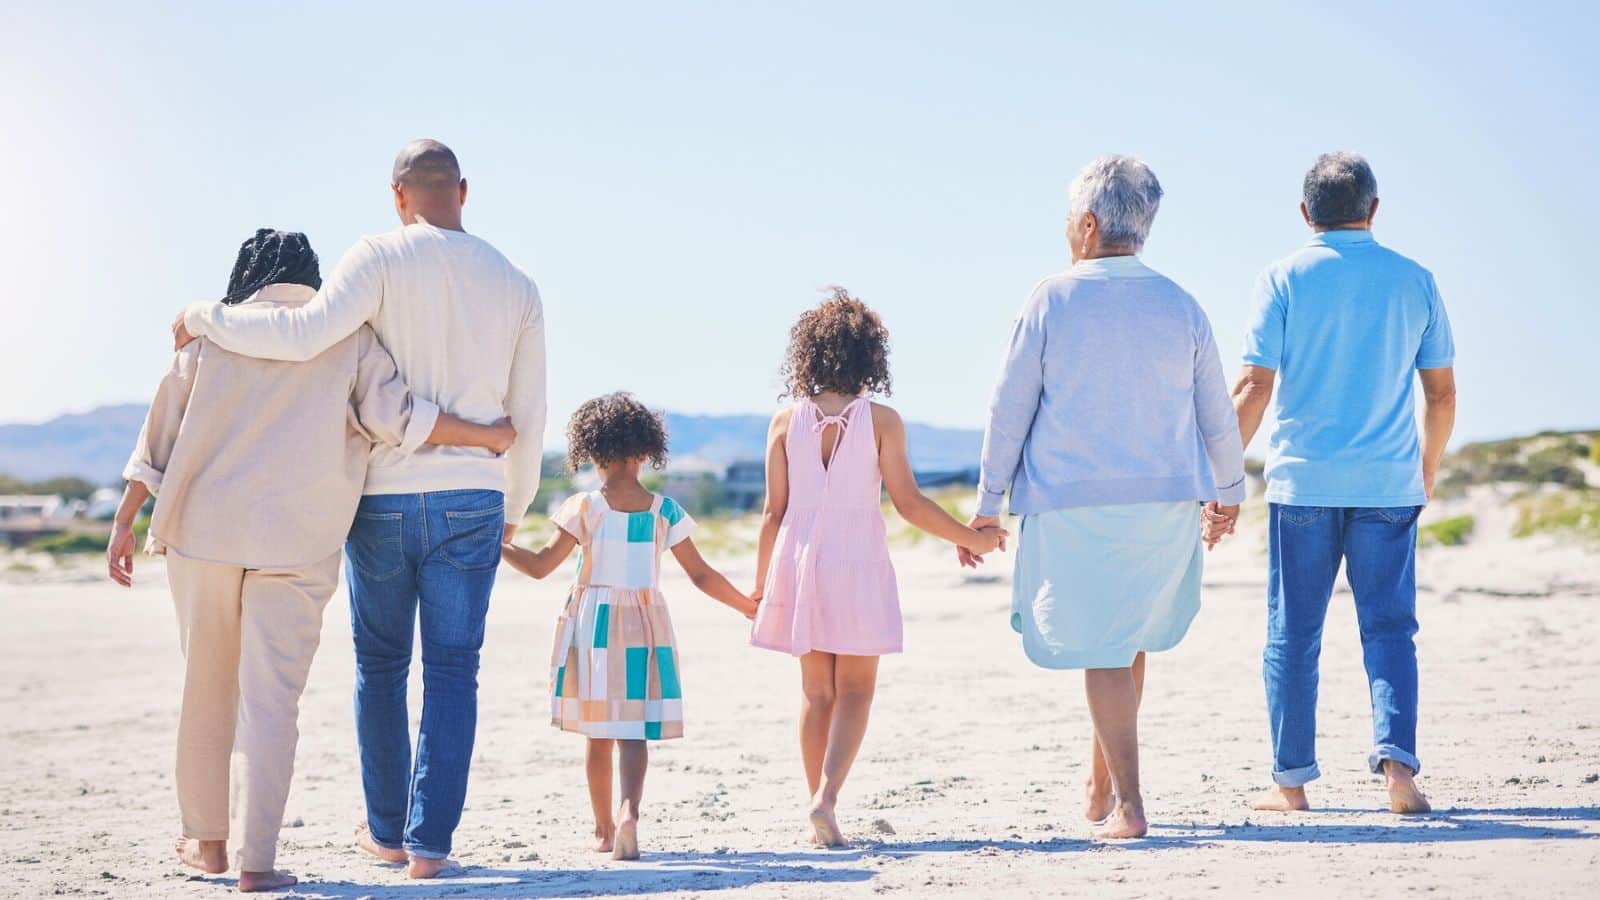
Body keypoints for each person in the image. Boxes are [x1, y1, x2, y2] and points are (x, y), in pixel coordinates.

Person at [170, 140, 548, 877]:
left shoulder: (377, 255)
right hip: (475, 494)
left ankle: (386, 834)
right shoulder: (517, 284)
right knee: (453, 670)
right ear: (462, 191)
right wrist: (514, 503)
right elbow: (527, 414)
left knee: (380, 666)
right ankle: (430, 850)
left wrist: (203, 316)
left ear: (397, 194)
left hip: (383, 498)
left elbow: (303, 334)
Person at [106, 229, 516, 892]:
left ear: (247, 273)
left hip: (202, 536)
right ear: (313, 275)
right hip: (299, 544)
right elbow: (400, 419)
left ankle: (209, 848)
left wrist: (125, 522)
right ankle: (256, 863)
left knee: (206, 688)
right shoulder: (346, 338)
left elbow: (157, 441)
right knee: (272, 703)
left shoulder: (208, 338)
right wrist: (488, 436)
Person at [968, 156, 1247, 839]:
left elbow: (1010, 409)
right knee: (1128, 640)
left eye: (1069, 219)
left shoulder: (1051, 298)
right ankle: (1100, 787)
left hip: (1074, 504)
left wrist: (987, 500)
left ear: (1088, 225)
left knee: (1104, 649)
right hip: (1165, 502)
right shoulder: (1181, 303)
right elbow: (1216, 412)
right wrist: (1231, 492)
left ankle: (1130, 805)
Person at [1231, 152, 1455, 816]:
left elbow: (1253, 386)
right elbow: (1440, 397)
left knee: (1293, 632)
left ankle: (1291, 783)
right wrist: (1428, 468)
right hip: (1389, 482)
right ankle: (1399, 776)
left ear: (1305, 215)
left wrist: (1216, 471)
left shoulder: (1281, 278)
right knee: (1389, 629)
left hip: (1303, 484)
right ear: (1374, 210)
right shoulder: (1415, 280)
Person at [749, 288, 1007, 847]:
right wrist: (969, 538)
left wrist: (761, 584)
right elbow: (909, 503)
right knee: (857, 692)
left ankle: (817, 806)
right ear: (871, 356)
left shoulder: (782, 421)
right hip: (857, 558)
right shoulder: (882, 419)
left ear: (808, 355)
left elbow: (773, 513)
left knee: (816, 693)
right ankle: (827, 798)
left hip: (798, 559)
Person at [499, 393, 756, 860]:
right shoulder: (664, 510)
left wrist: (495, 543)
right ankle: (628, 813)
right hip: (645, 625)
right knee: (633, 731)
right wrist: (744, 605)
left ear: (592, 454)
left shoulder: (584, 507)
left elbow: (539, 567)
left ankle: (601, 831)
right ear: (645, 452)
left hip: (594, 628)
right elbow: (702, 574)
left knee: (598, 734)